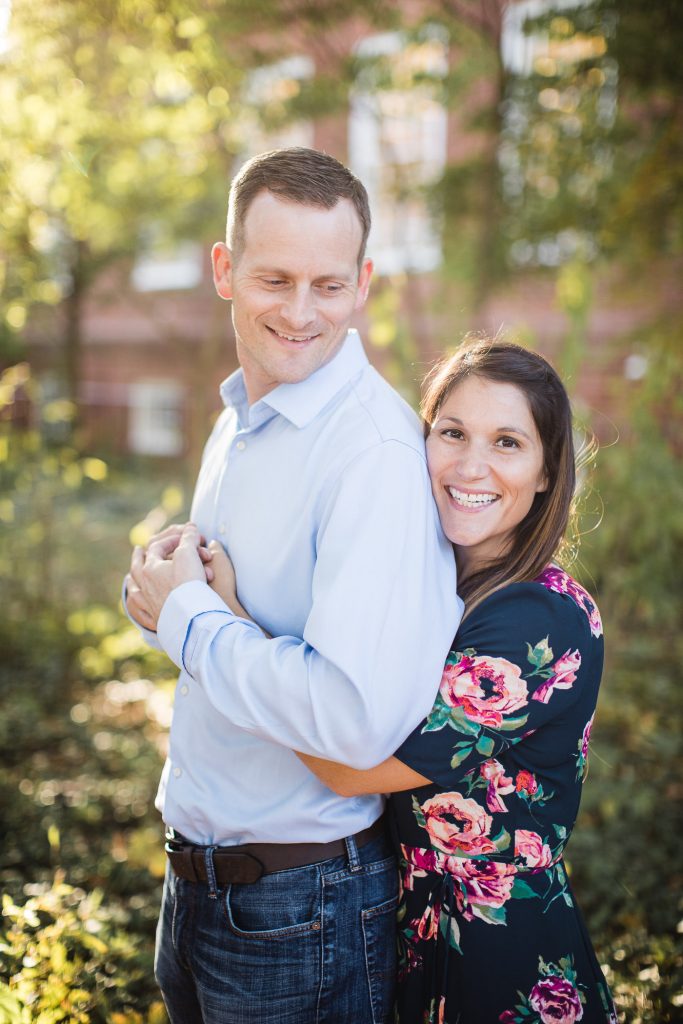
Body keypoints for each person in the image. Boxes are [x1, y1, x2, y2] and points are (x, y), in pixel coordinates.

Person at [124, 146, 461, 1024]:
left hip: (301, 905)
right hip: (195, 877)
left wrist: (190, 619)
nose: (302, 313)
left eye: (328, 284)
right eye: (275, 279)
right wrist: (164, 601)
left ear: (364, 282)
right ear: (224, 269)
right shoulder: (242, 416)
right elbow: (228, 628)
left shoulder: (372, 456)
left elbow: (352, 725)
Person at [210, 338, 618, 1024]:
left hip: (497, 961)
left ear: (547, 471)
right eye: (450, 432)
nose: (470, 464)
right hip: (398, 934)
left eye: (507, 442)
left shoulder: (536, 622)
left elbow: (349, 766)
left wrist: (223, 625)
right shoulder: (430, 592)